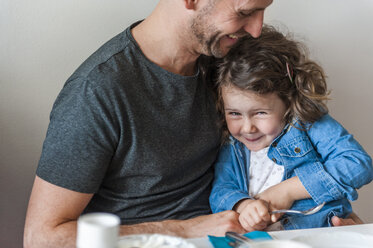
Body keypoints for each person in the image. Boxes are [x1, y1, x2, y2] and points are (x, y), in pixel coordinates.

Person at [23, 1, 274, 247]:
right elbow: (42, 238)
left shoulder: (224, 60)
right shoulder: (97, 92)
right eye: (245, 12)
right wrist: (185, 230)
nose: (256, 29)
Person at [209, 25, 373, 231]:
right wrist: (244, 205)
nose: (248, 128)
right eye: (234, 113)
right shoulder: (233, 144)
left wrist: (286, 191)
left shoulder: (306, 122)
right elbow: (221, 190)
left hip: (316, 237)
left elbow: (357, 164)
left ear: (287, 102)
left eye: (260, 113)